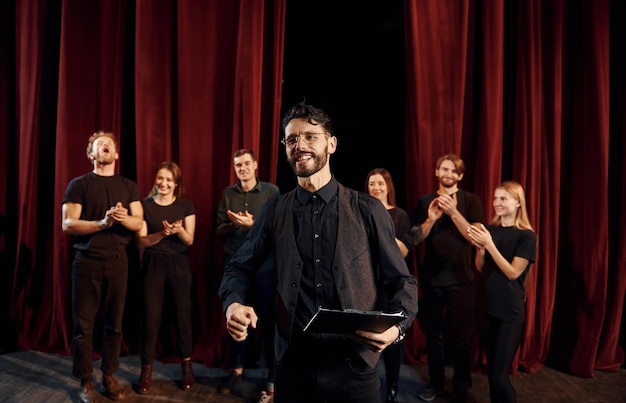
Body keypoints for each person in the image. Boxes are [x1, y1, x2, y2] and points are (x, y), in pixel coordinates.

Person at [218, 102, 419, 403]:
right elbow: (238, 267)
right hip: (292, 368)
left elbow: (403, 282)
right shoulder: (274, 210)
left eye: (310, 136)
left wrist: (396, 330)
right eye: (291, 139)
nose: (300, 145)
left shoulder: (368, 210)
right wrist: (233, 305)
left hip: (354, 369)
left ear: (332, 143)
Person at [62, 131, 144, 402]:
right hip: (86, 263)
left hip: (118, 263)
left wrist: (121, 218)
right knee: (84, 327)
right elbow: (68, 224)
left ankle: (109, 374)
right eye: (99, 145)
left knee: (114, 325)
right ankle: (86, 380)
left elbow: (138, 223)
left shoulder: (128, 186)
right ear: (91, 155)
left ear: (117, 154)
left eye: (110, 144)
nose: (105, 145)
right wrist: (101, 223)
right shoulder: (79, 184)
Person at [410, 153, 483, 402]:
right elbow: (414, 239)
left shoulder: (471, 201)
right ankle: (436, 383)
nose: (448, 174)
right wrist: (431, 219)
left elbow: (475, 237)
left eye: (453, 171)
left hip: (462, 280)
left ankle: (461, 386)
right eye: (444, 169)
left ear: (460, 176)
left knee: (462, 337)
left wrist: (453, 212)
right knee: (433, 334)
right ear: (436, 172)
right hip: (432, 281)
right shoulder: (425, 201)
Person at [216, 149, 280, 400]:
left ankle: (272, 380)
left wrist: (253, 225)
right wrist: (233, 223)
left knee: (270, 325)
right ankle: (237, 370)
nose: (241, 168)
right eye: (237, 165)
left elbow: (278, 228)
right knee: (237, 320)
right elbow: (219, 229)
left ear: (255, 166)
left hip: (265, 269)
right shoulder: (227, 194)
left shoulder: (271, 191)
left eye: (245, 164)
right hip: (236, 268)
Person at [466, 181, 536, 403]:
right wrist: (480, 248)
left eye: (503, 199)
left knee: (499, 377)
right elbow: (480, 267)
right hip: (486, 307)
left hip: (509, 312)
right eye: (495, 198)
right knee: (492, 374)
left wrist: (490, 244)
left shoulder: (526, 236)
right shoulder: (490, 229)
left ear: (518, 203)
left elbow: (513, 272)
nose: (497, 203)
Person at [135, 161, 197, 394]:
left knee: (183, 317)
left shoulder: (185, 205)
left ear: (176, 183)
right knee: (150, 319)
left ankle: (187, 368)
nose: (164, 183)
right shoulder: (144, 205)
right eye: (160, 178)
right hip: (152, 265)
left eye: (169, 180)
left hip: (179, 265)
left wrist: (178, 230)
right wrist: (162, 233)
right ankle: (146, 370)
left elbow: (189, 239)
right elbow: (140, 241)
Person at [365, 168, 412, 403]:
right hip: (367, 283)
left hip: (391, 284)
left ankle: (392, 387)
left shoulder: (400, 215)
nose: (376, 188)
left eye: (380, 183)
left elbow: (402, 251)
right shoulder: (362, 211)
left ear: (388, 186)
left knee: (392, 340)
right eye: (372, 184)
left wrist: (382, 227)